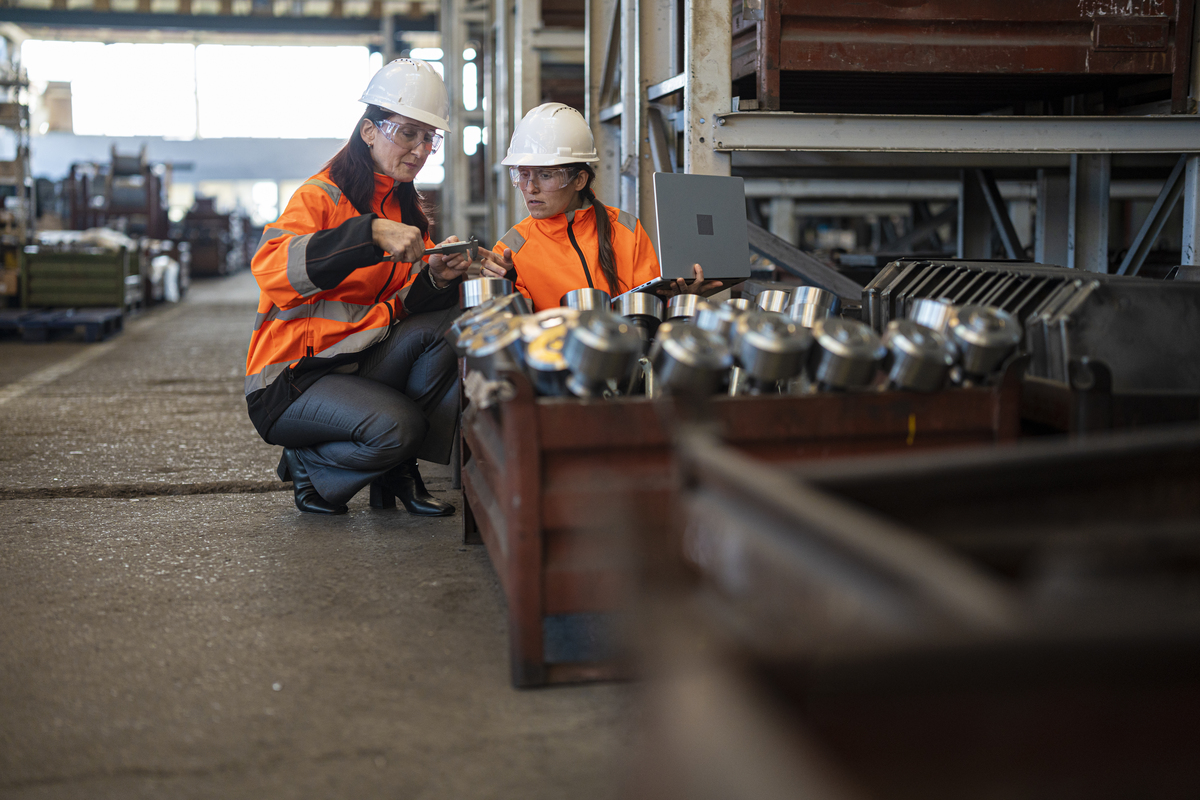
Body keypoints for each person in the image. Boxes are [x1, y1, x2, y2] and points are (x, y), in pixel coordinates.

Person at [244, 58, 470, 517]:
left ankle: (396, 470)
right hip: (292, 378)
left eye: (430, 138)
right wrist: (367, 233)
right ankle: (310, 462)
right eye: (408, 133)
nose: (420, 149)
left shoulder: (405, 210)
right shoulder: (321, 196)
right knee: (399, 428)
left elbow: (404, 304)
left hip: (354, 360)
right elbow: (269, 266)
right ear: (369, 131)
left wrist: (438, 275)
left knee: (449, 325)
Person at [477, 102, 717, 309]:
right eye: (523, 175)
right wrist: (505, 285)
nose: (530, 188)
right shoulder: (510, 252)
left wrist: (680, 301)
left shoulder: (625, 230)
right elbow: (514, 331)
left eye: (545, 175)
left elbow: (650, 311)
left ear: (579, 180)